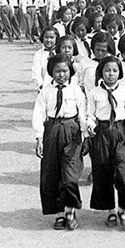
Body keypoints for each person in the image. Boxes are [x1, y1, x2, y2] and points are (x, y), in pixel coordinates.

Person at [32, 54, 88, 230]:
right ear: (51, 72)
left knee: (70, 174)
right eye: (57, 71)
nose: (61, 74)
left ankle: (70, 210)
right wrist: (39, 137)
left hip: (72, 131)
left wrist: (85, 135)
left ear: (70, 71)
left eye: (64, 70)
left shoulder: (75, 90)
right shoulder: (46, 91)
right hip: (52, 131)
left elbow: (82, 113)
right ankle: (59, 214)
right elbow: (39, 114)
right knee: (52, 173)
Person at [85, 56, 125, 229]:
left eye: (114, 70)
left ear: (120, 72)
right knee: (103, 172)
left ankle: (124, 210)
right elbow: (90, 114)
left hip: (121, 132)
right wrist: (90, 125)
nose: (111, 74)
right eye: (107, 70)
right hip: (102, 133)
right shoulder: (94, 93)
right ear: (101, 72)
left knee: (124, 173)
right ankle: (111, 211)